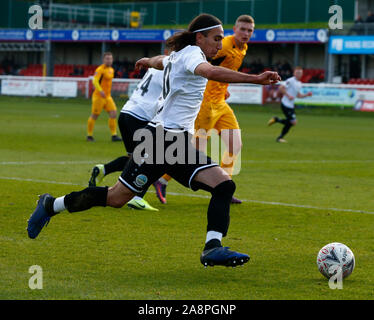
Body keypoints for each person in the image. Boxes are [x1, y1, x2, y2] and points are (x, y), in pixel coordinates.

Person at [27, 13, 280, 268]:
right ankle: (51, 204)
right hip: (160, 142)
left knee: (224, 186)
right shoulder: (193, 55)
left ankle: (212, 247)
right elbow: (211, 71)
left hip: (175, 144)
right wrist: (256, 79)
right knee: (116, 198)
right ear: (199, 37)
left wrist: (148, 60)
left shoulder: (181, 55)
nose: (219, 44)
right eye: (215, 38)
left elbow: (162, 61)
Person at [155, 15, 256, 205]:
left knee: (235, 144)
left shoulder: (243, 49)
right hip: (205, 103)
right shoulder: (223, 45)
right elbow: (203, 65)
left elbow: (219, 70)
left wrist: (224, 89)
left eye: (249, 30)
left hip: (220, 103)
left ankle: (224, 187)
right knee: (192, 150)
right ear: (235, 29)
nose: (246, 33)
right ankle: (161, 179)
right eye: (242, 29)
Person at [88, 67, 164, 212]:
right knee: (154, 159)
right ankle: (137, 198)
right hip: (140, 117)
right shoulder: (170, 69)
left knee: (133, 160)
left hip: (126, 114)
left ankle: (104, 169)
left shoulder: (156, 67)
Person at [267, 66, 312, 143]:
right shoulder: (290, 80)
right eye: (297, 73)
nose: (299, 74)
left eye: (300, 73)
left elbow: (298, 95)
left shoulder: (299, 83)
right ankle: (279, 136)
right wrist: (288, 95)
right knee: (293, 122)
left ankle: (277, 123)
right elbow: (281, 88)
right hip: (285, 104)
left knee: (290, 123)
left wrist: (306, 95)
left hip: (290, 106)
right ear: (294, 73)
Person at [87, 52, 122, 142]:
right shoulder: (100, 69)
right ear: (103, 60)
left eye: (110, 58)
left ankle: (114, 135)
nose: (109, 60)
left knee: (113, 113)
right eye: (107, 58)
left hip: (108, 97)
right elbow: (95, 81)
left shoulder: (111, 69)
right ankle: (89, 136)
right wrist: (100, 90)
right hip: (99, 96)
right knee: (95, 115)